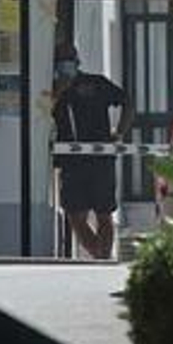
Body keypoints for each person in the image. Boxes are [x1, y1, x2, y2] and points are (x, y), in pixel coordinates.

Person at [51, 44, 133, 260]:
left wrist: (120, 132)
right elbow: (41, 111)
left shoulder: (96, 83)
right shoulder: (50, 87)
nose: (65, 63)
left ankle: (103, 257)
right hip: (71, 160)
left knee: (104, 212)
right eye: (61, 59)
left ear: (77, 61)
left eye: (69, 58)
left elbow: (127, 102)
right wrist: (58, 91)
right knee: (74, 214)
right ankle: (98, 252)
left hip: (101, 158)